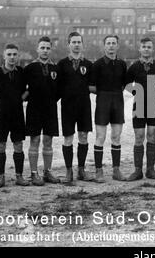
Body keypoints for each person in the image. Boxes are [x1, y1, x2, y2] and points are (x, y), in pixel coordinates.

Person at [0, 43, 30, 187]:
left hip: (17, 114)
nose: (12, 57)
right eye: (9, 54)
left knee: (18, 145)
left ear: (18, 56)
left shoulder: (22, 73)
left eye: (14, 54)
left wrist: (21, 98)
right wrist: (3, 102)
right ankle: (1, 177)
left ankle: (19, 177)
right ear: (4, 56)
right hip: (1, 115)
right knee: (1, 145)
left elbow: (28, 90)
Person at [23, 36, 61, 186]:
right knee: (35, 140)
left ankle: (47, 171)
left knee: (48, 140)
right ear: (37, 49)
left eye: (47, 48)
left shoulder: (55, 69)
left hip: (50, 108)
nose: (45, 50)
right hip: (34, 109)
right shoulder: (29, 68)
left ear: (51, 50)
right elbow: (23, 89)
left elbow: (59, 90)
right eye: (42, 48)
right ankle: (33, 173)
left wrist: (51, 101)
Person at [125, 37, 155, 181]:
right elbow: (127, 83)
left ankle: (150, 170)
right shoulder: (134, 66)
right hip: (139, 106)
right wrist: (137, 92)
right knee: (139, 136)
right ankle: (137, 171)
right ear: (139, 49)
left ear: (152, 49)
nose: (146, 49)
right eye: (144, 47)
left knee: (152, 135)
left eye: (149, 47)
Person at [57, 32, 94, 183]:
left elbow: (93, 85)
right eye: (73, 42)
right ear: (69, 44)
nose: (76, 44)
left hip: (84, 105)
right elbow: (57, 86)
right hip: (67, 106)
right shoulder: (62, 64)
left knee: (83, 136)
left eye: (79, 42)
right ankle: (68, 171)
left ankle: (81, 170)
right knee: (68, 138)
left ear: (82, 44)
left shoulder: (89, 65)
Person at [90, 35, 127, 181]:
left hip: (118, 100)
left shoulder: (122, 64)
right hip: (103, 100)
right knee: (100, 137)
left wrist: (114, 93)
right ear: (104, 46)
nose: (111, 46)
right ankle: (98, 171)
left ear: (117, 45)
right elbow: (91, 86)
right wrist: (104, 94)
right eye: (108, 43)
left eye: (113, 43)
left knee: (116, 137)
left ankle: (116, 170)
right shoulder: (97, 64)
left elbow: (125, 84)